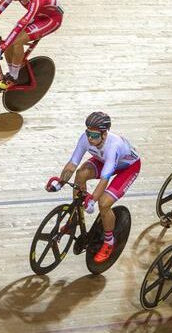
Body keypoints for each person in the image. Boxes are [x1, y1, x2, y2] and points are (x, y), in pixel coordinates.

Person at [46, 112, 141, 264]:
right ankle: (74, 220)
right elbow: (72, 164)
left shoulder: (113, 146)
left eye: (94, 135)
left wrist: (93, 200)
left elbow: (105, 179)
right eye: (88, 133)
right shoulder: (85, 139)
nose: (90, 138)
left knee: (103, 203)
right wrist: (60, 183)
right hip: (103, 161)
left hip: (127, 168)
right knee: (80, 174)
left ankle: (109, 242)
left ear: (104, 134)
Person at [0, 0, 63, 89]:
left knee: (16, 41)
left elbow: (21, 24)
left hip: (51, 19)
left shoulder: (36, 0)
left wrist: (2, 47)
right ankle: (13, 70)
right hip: (39, 15)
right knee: (9, 41)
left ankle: (13, 77)